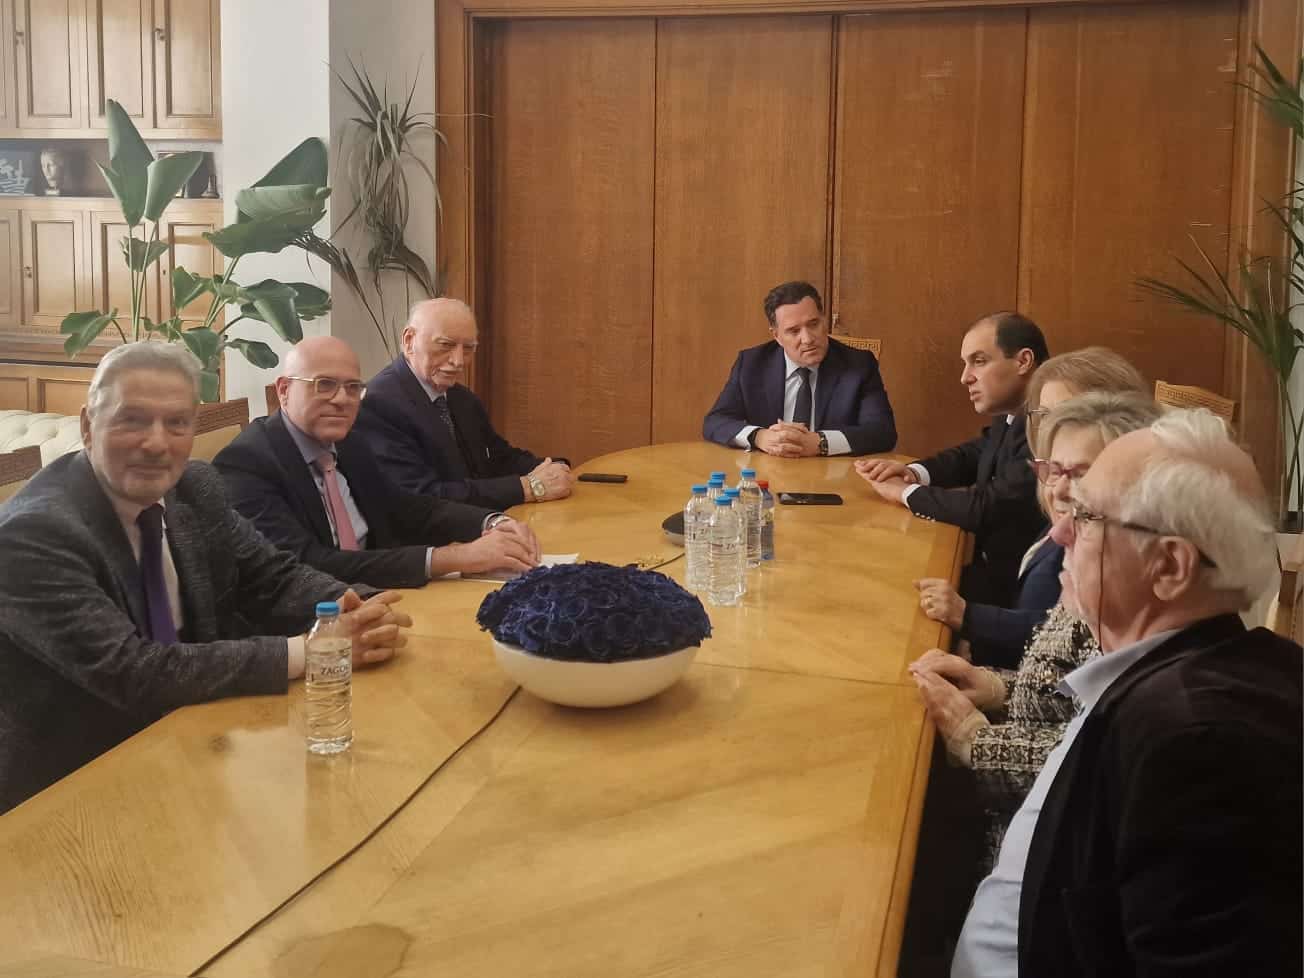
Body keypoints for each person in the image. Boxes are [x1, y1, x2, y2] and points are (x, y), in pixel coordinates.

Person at [950, 408, 1301, 978]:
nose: (1060, 532)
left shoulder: (1199, 742)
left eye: (1088, 517)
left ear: (1170, 566)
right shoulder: (1165, 668)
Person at [0, 342, 411, 814]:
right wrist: (316, 650)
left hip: (200, 738)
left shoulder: (194, 488)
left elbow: (272, 578)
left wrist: (357, 607)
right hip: (71, 788)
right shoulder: (34, 534)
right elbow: (135, 672)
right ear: (88, 425)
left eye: (177, 423)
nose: (157, 444)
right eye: (133, 420)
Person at [910, 392, 1165, 866]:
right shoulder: (1088, 560)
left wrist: (976, 740)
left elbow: (1103, 766)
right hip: (1016, 814)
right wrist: (996, 688)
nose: (1059, 491)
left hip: (1045, 851)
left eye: (1081, 475)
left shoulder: (1140, 595)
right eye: (1053, 470)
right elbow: (1071, 697)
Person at [214, 336, 541, 591]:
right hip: (317, 618)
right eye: (324, 385)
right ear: (284, 390)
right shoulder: (247, 463)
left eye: (353, 387)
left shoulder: (349, 442)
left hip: (381, 592)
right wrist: (454, 558)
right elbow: (307, 565)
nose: (341, 399)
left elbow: (407, 508)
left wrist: (490, 523)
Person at [913, 349, 1149, 666]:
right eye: (1043, 416)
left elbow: (1074, 640)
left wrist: (969, 618)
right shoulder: (1054, 485)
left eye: (1068, 416)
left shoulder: (1116, 529)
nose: (1051, 431)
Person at [857, 312, 1048, 608]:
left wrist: (904, 493)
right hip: (992, 574)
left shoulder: (1048, 424)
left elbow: (987, 507)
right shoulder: (1015, 410)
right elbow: (977, 453)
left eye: (979, 361)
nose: (965, 377)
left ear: (1023, 361)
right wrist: (914, 473)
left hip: (1016, 597)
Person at [354, 298, 573, 510]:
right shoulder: (378, 404)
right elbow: (421, 495)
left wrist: (555, 469)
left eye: (468, 348)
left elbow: (498, 458)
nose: (458, 361)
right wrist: (527, 488)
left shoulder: (461, 398)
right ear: (409, 340)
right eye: (445, 345)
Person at [702, 280, 896, 457]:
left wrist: (821, 442)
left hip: (833, 476)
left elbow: (882, 432)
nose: (808, 339)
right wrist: (759, 437)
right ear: (776, 336)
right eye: (794, 331)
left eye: (814, 324)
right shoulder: (752, 364)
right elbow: (715, 421)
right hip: (769, 472)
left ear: (824, 320)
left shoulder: (859, 364)